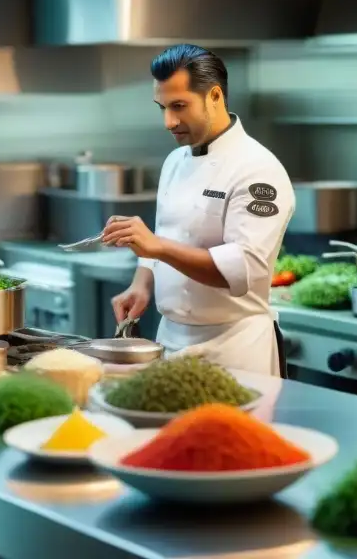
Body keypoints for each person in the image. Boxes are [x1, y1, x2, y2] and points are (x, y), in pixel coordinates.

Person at [104, 44, 294, 376]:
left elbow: (241, 270)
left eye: (179, 106)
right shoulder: (175, 160)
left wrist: (157, 245)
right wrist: (141, 283)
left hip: (233, 350)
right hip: (169, 341)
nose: (168, 121)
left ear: (215, 96)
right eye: (162, 107)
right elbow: (164, 234)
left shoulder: (258, 169)